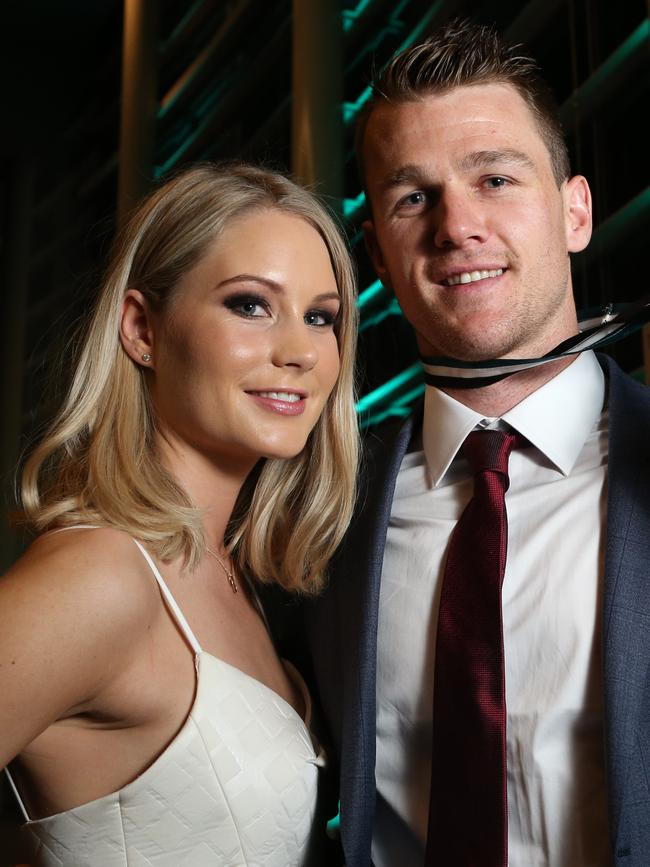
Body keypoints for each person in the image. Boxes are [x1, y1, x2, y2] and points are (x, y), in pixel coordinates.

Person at [302, 18, 650, 867]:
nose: (457, 226)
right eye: (412, 196)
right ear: (379, 251)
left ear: (576, 211)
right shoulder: (319, 510)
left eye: (495, 177)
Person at [0, 162, 359, 867]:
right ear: (142, 329)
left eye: (321, 317)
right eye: (251, 304)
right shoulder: (100, 575)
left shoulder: (237, 580)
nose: (297, 351)